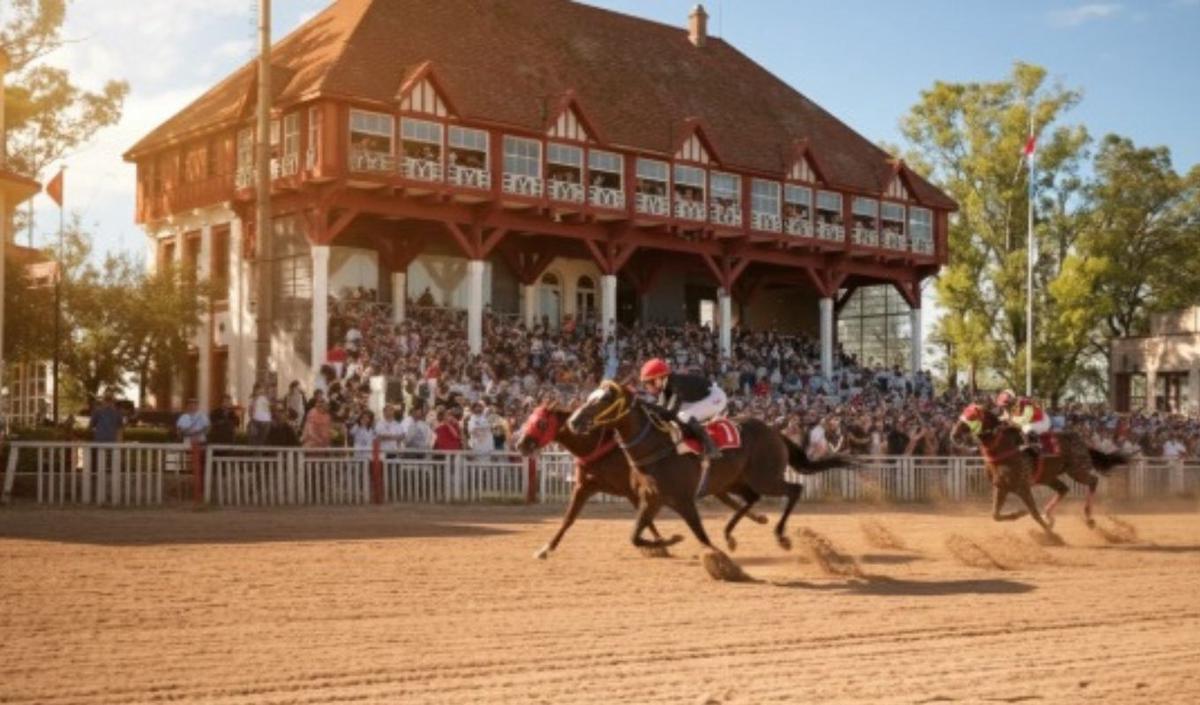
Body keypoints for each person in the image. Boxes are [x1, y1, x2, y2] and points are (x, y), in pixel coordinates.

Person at [639, 357, 726, 497]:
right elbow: (661, 412)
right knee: (682, 415)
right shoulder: (666, 387)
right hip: (700, 397)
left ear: (657, 379)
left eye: (647, 383)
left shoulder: (676, 385)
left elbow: (669, 414)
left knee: (684, 416)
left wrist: (645, 405)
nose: (646, 388)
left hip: (715, 398)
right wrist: (645, 406)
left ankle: (711, 448)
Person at [996, 389, 1050, 455]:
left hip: (1042, 421)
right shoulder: (1008, 407)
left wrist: (1010, 418)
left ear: (1012, 399)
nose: (1005, 408)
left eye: (1006, 404)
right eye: (1003, 406)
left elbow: (1025, 420)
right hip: (1029, 422)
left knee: (1026, 428)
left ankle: (1037, 446)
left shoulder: (1025, 403)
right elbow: (1007, 420)